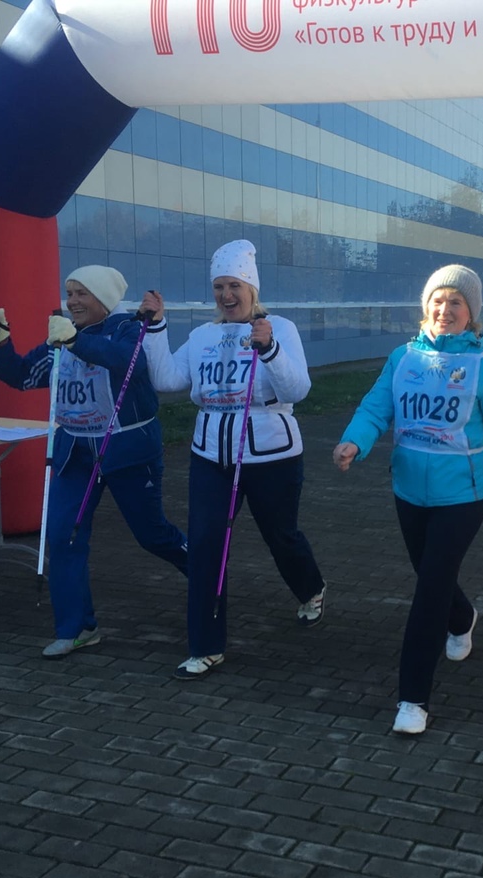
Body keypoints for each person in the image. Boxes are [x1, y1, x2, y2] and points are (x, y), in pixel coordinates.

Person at [333, 265, 483, 736]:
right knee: (430, 576)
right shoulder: (402, 358)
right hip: (408, 492)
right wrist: (354, 441)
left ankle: (413, 699)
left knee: (428, 593)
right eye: (438, 300)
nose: (445, 309)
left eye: (456, 302)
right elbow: (376, 407)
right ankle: (463, 617)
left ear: (471, 313)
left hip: (463, 496)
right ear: (426, 307)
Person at [0, 265, 188, 658]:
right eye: (69, 293)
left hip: (126, 450)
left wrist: (77, 342)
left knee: (152, 534)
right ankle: (77, 628)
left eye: (81, 293)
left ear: (103, 298)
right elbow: (24, 375)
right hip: (74, 452)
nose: (72, 301)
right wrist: (0, 345)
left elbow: (129, 362)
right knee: (63, 536)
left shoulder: (127, 327)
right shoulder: (62, 334)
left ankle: (205, 572)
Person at [143, 239, 326, 680]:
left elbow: (297, 390)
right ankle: (205, 646)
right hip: (211, 455)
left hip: (271, 456)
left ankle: (311, 587)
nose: (226, 295)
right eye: (219, 287)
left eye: (234, 286)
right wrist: (156, 328)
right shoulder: (203, 336)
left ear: (251, 288)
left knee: (280, 536)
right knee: (207, 545)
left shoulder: (279, 327)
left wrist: (270, 350)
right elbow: (167, 379)